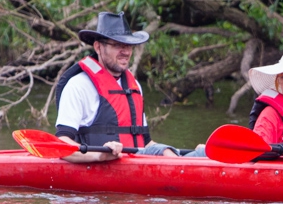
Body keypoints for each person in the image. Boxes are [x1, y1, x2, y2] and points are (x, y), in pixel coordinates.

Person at [54, 11, 204, 162]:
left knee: (193, 153)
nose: (125, 52)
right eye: (117, 45)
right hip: (100, 167)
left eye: (128, 45)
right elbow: (61, 145)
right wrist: (100, 156)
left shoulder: (134, 86)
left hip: (134, 164)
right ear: (98, 47)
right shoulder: (79, 86)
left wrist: (173, 151)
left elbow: (146, 144)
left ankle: (202, 156)